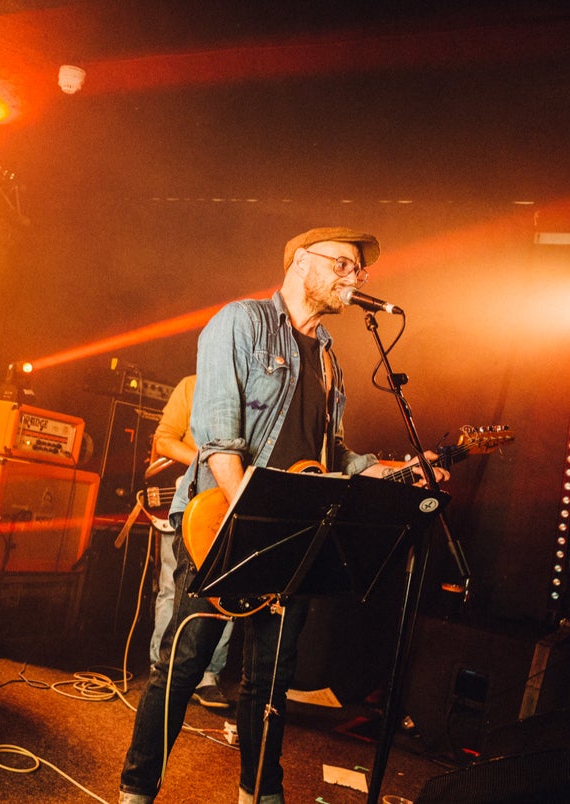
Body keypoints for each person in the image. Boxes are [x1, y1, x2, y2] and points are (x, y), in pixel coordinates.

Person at [119, 227, 448, 804]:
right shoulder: (240, 323)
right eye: (344, 264)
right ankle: (137, 789)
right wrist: (243, 521)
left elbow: (334, 457)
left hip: (293, 536)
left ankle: (260, 793)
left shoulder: (328, 361)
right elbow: (219, 438)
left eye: (360, 270)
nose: (356, 277)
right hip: (222, 523)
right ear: (301, 263)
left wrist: (397, 468)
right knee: (184, 661)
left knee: (270, 677)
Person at [147, 374, 234, 708]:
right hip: (190, 498)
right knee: (173, 589)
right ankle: (162, 667)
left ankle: (209, 675)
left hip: (225, 506)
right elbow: (164, 441)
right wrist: (211, 462)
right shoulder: (192, 385)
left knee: (226, 594)